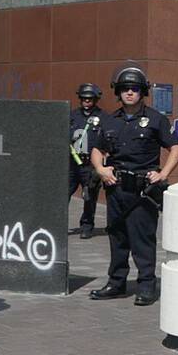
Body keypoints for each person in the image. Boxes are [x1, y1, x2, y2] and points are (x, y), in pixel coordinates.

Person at [89, 66, 178, 306]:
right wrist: (100, 169)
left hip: (143, 191)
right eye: (125, 89)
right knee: (117, 238)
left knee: (142, 240)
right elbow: (97, 150)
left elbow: (175, 147)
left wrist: (163, 173)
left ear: (143, 92)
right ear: (118, 92)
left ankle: (146, 286)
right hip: (116, 188)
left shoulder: (155, 119)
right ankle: (116, 282)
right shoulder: (111, 120)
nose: (130, 92)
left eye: (135, 89)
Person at [69, 83, 108, 239]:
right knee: (63, 194)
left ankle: (87, 225)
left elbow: (108, 137)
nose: (86, 101)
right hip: (71, 163)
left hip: (90, 164)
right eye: (84, 98)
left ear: (96, 99)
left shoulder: (103, 117)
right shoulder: (72, 115)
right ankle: (57, 224)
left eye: (90, 99)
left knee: (89, 196)